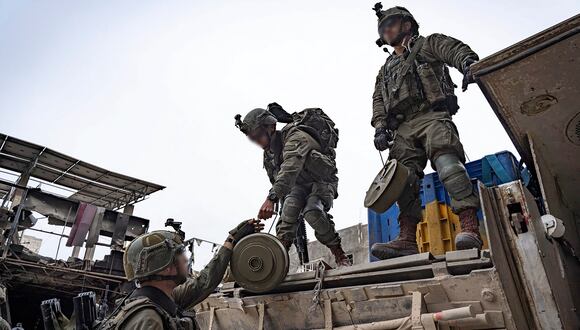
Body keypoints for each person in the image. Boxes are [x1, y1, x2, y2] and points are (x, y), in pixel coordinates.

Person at [369, 3, 482, 259]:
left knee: (448, 165)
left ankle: (469, 227)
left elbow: (452, 49)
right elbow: (378, 100)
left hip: (431, 115)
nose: (386, 30)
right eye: (382, 28)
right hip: (403, 128)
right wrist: (379, 127)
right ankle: (407, 239)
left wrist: (468, 63)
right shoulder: (385, 70)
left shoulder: (426, 45)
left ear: (406, 24)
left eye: (390, 24)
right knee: (401, 182)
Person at [235, 104, 350, 267]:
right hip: (297, 187)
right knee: (288, 213)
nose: (258, 142)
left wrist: (271, 198)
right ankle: (277, 264)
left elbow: (290, 167)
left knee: (312, 211)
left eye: (259, 136)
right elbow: (278, 180)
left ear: (271, 127)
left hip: (321, 181)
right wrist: (281, 206)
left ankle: (340, 255)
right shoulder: (269, 155)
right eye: (253, 139)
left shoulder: (294, 135)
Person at [99, 219, 263, 329]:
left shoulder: (162, 299)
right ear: (165, 269)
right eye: (179, 256)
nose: (186, 260)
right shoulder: (148, 318)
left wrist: (231, 240)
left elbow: (203, 282)